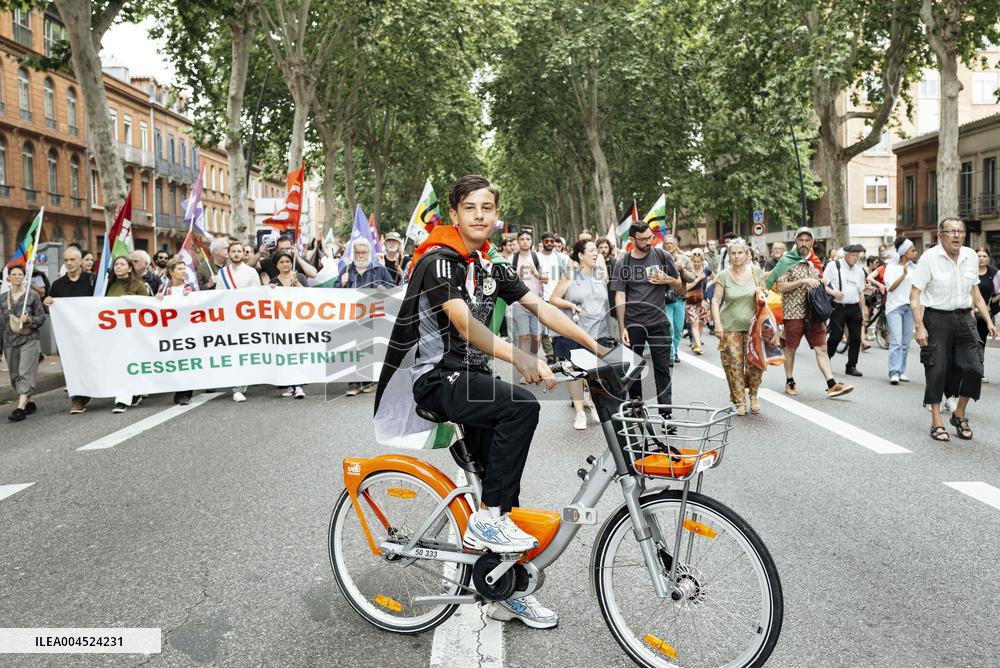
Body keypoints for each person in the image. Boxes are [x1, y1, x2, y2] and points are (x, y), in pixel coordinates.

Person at [374, 175, 608, 629]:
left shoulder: (486, 264)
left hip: (472, 377)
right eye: (470, 208)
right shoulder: (439, 261)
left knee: (503, 487)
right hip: (436, 378)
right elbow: (465, 326)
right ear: (455, 213)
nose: (480, 215)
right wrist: (522, 357)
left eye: (487, 208)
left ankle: (503, 588)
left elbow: (542, 308)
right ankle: (487, 520)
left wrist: (600, 350)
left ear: (496, 215)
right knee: (521, 407)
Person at [911, 218, 997, 442]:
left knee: (975, 367)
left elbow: (975, 292)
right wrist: (919, 326)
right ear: (941, 236)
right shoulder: (930, 258)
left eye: (960, 231)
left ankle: (959, 414)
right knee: (936, 368)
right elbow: (915, 294)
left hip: (964, 317)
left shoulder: (969, 256)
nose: (957, 235)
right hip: (936, 317)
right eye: (951, 231)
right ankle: (937, 421)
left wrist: (988, 320)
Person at [610, 223, 684, 415]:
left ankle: (666, 413)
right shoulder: (623, 263)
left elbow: (679, 285)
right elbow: (619, 295)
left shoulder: (662, 256)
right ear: (632, 240)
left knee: (662, 369)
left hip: (659, 323)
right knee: (633, 369)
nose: (648, 242)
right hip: (633, 324)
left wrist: (666, 279)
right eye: (643, 239)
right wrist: (622, 327)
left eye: (650, 237)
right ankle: (636, 410)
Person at [775, 227, 853, 398]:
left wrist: (828, 288)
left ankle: (831, 384)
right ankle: (790, 380)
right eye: (800, 240)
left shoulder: (814, 262)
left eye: (807, 240)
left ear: (812, 242)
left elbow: (820, 284)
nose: (804, 243)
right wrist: (802, 281)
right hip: (793, 313)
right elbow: (780, 286)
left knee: (821, 348)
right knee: (791, 348)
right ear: (795, 242)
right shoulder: (786, 261)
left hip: (814, 313)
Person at [549, 239, 610, 430]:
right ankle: (580, 413)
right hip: (575, 331)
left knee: (595, 372)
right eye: (591, 250)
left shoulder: (601, 275)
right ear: (581, 255)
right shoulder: (570, 275)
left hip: (598, 331)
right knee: (575, 372)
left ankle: (592, 402)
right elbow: (553, 299)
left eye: (597, 251)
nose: (595, 253)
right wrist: (570, 305)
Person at [710, 239, 769, 415]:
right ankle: (739, 400)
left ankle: (753, 396)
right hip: (730, 326)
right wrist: (717, 323)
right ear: (729, 256)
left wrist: (763, 294)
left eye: (740, 253)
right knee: (734, 363)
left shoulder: (757, 273)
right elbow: (715, 300)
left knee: (754, 364)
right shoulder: (723, 275)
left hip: (754, 328)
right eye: (733, 253)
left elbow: (764, 297)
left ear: (747, 254)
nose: (736, 256)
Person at [339, 238, 395, 396]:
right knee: (353, 347)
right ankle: (353, 383)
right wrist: (342, 284)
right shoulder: (347, 270)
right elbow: (334, 295)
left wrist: (385, 288)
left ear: (369, 253)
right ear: (354, 253)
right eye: (358, 252)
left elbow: (392, 287)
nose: (361, 255)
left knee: (369, 347)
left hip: (373, 316)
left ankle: (368, 380)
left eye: (363, 252)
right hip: (352, 316)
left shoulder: (380, 269)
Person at [45, 246, 96, 414]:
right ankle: (77, 399)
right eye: (66, 260)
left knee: (92, 363)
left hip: (90, 333)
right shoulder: (57, 284)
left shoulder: (93, 280)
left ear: (81, 261)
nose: (69, 263)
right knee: (71, 365)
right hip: (68, 335)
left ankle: (95, 389)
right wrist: (48, 302)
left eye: (73, 259)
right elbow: (50, 308)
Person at [106, 255, 153, 413]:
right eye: (116, 264)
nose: (118, 267)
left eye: (122, 264)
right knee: (120, 362)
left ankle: (123, 398)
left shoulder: (138, 285)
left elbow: (147, 306)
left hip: (133, 332)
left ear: (130, 268)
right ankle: (131, 393)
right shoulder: (108, 285)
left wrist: (130, 300)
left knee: (131, 361)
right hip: (114, 331)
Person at [216, 241, 261, 402]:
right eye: (233, 251)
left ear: (243, 253)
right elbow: (218, 295)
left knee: (245, 352)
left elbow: (258, 295)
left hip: (246, 317)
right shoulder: (222, 273)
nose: (236, 254)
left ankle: (242, 384)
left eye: (239, 251)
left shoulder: (251, 272)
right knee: (234, 352)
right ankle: (237, 388)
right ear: (228, 253)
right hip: (229, 317)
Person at [1, 264, 47, 421]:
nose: (17, 277)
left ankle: (20, 408)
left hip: (29, 339)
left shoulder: (32, 295)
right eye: (13, 274)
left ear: (24, 277)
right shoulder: (2, 298)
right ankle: (29, 401)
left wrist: (29, 319)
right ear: (8, 278)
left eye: (20, 274)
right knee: (15, 376)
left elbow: (41, 318)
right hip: (9, 341)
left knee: (24, 372)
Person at [824, 244, 867, 377]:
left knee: (855, 338)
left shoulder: (859, 271)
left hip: (854, 307)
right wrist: (834, 292)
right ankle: (826, 361)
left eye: (857, 256)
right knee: (836, 336)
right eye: (853, 256)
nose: (855, 258)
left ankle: (851, 366)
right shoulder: (834, 266)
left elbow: (861, 292)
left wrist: (863, 311)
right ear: (846, 254)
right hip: (838, 307)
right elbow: (823, 285)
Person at [156, 258, 195, 405]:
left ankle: (185, 393)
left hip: (187, 328)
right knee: (175, 360)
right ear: (171, 272)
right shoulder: (164, 288)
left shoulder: (190, 287)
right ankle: (178, 388)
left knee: (187, 360)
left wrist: (191, 297)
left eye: (184, 268)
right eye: (179, 269)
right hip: (171, 330)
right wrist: (157, 299)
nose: (183, 271)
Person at [884, 237, 918, 385]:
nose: (916, 253)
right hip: (894, 308)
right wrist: (903, 274)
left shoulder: (915, 269)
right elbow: (890, 288)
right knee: (896, 342)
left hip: (909, 308)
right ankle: (894, 372)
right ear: (904, 253)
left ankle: (902, 370)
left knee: (905, 343)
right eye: (913, 250)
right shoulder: (891, 268)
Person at [509, 230, 544, 366]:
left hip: (536, 303)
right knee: (523, 337)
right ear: (518, 242)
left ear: (531, 241)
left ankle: (533, 359)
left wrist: (535, 273)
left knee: (536, 338)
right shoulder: (512, 259)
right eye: (522, 239)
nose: (525, 241)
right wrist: (518, 273)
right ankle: (526, 367)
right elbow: (507, 281)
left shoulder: (538, 257)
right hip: (519, 304)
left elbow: (546, 278)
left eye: (527, 239)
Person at [537, 231, 569, 364]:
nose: (550, 243)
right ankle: (550, 355)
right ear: (542, 242)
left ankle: (559, 352)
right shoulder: (536, 257)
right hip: (541, 297)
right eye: (547, 241)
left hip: (558, 297)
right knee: (544, 329)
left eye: (552, 241)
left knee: (558, 326)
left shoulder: (562, 258)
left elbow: (568, 276)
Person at [661, 234, 689, 363]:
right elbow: (655, 275)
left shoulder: (684, 259)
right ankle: (670, 355)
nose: (669, 245)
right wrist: (671, 268)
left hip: (680, 298)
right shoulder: (659, 259)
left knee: (678, 329)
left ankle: (675, 350)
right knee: (669, 328)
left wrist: (681, 269)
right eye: (666, 243)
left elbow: (692, 277)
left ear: (676, 245)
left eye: (671, 243)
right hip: (665, 299)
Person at [975, 247, 999, 383]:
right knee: (969, 342)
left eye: (984, 256)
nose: (982, 258)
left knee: (981, 343)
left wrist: (990, 302)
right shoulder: (969, 272)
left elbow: (997, 292)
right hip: (969, 312)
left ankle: (979, 371)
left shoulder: (995, 274)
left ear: (989, 258)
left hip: (985, 315)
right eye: (979, 256)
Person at [685, 248, 714, 355]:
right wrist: (697, 279)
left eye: (698, 261)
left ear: (702, 261)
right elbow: (686, 288)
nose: (696, 264)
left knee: (701, 322)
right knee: (694, 323)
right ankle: (698, 345)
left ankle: (695, 342)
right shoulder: (688, 271)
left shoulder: (706, 270)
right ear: (691, 261)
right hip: (690, 300)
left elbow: (715, 278)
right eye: (694, 261)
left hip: (704, 300)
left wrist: (708, 286)